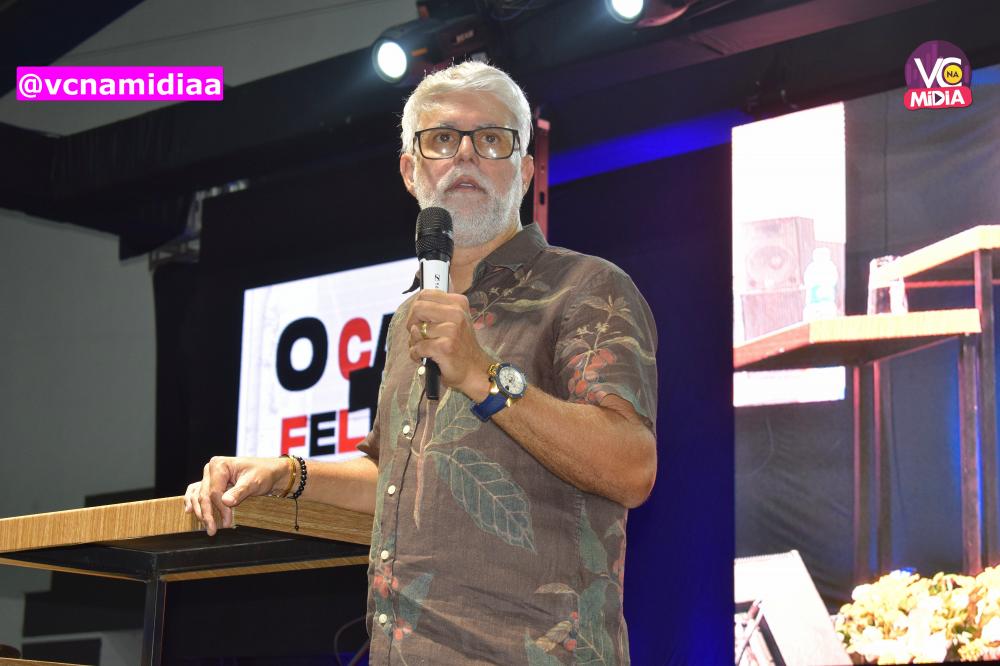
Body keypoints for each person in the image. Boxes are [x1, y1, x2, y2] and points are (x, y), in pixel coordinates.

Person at [184, 60, 658, 664]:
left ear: (525, 168)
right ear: (411, 171)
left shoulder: (588, 287)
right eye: (441, 140)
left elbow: (631, 466)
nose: (465, 156)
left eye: (491, 138)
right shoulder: (410, 317)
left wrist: (482, 373)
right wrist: (284, 474)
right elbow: (396, 477)